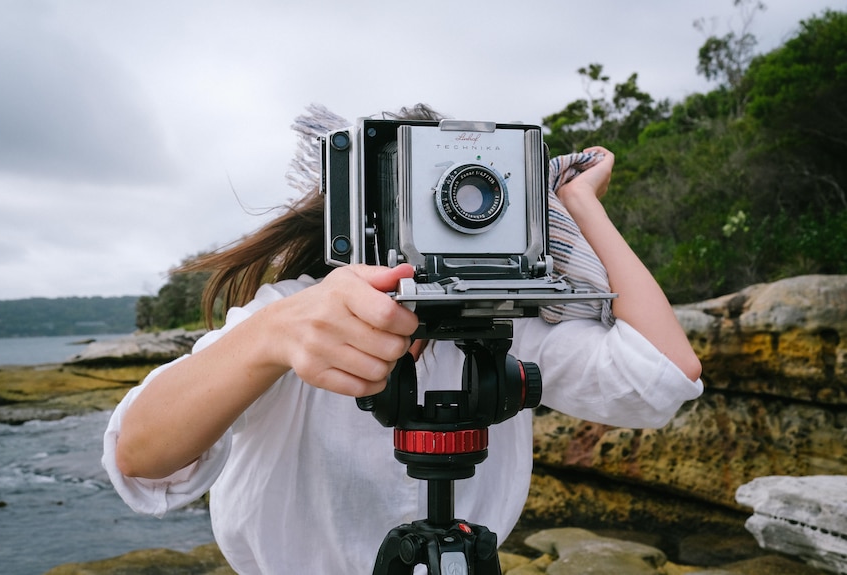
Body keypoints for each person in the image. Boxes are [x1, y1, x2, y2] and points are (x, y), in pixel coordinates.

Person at [103, 104, 702, 574]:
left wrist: (575, 200)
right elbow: (141, 458)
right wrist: (273, 336)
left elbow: (664, 379)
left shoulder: (510, 325)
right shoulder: (297, 317)